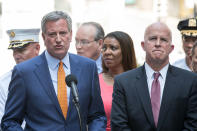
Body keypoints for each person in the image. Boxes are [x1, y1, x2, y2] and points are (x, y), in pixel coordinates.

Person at [1, 11, 106, 131]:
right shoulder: (24, 72)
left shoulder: (88, 67)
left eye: (63, 33)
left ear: (70, 35)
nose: (58, 39)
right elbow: (10, 121)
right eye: (52, 34)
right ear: (43, 37)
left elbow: (97, 115)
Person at [111, 22, 197, 131]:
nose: (158, 43)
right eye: (152, 38)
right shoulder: (123, 82)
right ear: (143, 45)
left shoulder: (190, 81)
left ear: (171, 48)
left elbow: (192, 125)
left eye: (164, 40)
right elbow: (119, 125)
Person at [0, 28, 40, 127]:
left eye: (22, 50)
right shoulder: (4, 82)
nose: (16, 56)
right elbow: (4, 122)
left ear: (37, 48)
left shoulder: (52, 74)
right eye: (14, 50)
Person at [99, 31, 137, 131]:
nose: (107, 52)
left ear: (125, 51)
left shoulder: (137, 82)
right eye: (104, 48)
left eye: (113, 48)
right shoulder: (95, 80)